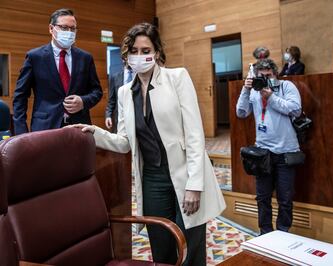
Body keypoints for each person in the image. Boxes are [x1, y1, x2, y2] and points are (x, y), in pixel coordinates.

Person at [71, 22, 226, 266]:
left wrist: (195, 185)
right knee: (160, 243)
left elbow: (195, 135)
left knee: (190, 248)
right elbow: (124, 142)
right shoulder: (124, 92)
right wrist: (94, 132)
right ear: (126, 54)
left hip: (186, 173)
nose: (140, 56)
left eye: (146, 50)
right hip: (152, 177)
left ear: (156, 52)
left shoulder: (178, 78)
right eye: (134, 51)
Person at [236, 58, 302, 234]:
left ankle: (283, 232)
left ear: (276, 74)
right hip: (263, 153)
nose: (265, 79)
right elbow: (241, 112)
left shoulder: (286, 87)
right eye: (261, 76)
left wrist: (271, 98)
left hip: (285, 152)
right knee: (263, 198)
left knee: (285, 199)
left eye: (269, 76)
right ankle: (265, 233)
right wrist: (246, 88)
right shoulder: (255, 90)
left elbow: (295, 109)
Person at [13, 8, 103, 135]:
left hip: (79, 126)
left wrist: (83, 101)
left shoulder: (85, 58)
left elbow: (96, 91)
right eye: (64, 28)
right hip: (45, 128)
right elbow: (20, 97)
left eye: (73, 29)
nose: (69, 32)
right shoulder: (35, 57)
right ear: (51, 28)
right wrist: (21, 133)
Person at [105, 64, 134, 132]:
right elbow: (111, 100)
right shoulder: (115, 77)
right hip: (120, 117)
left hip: (137, 117)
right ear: (124, 59)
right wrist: (108, 116)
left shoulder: (140, 75)